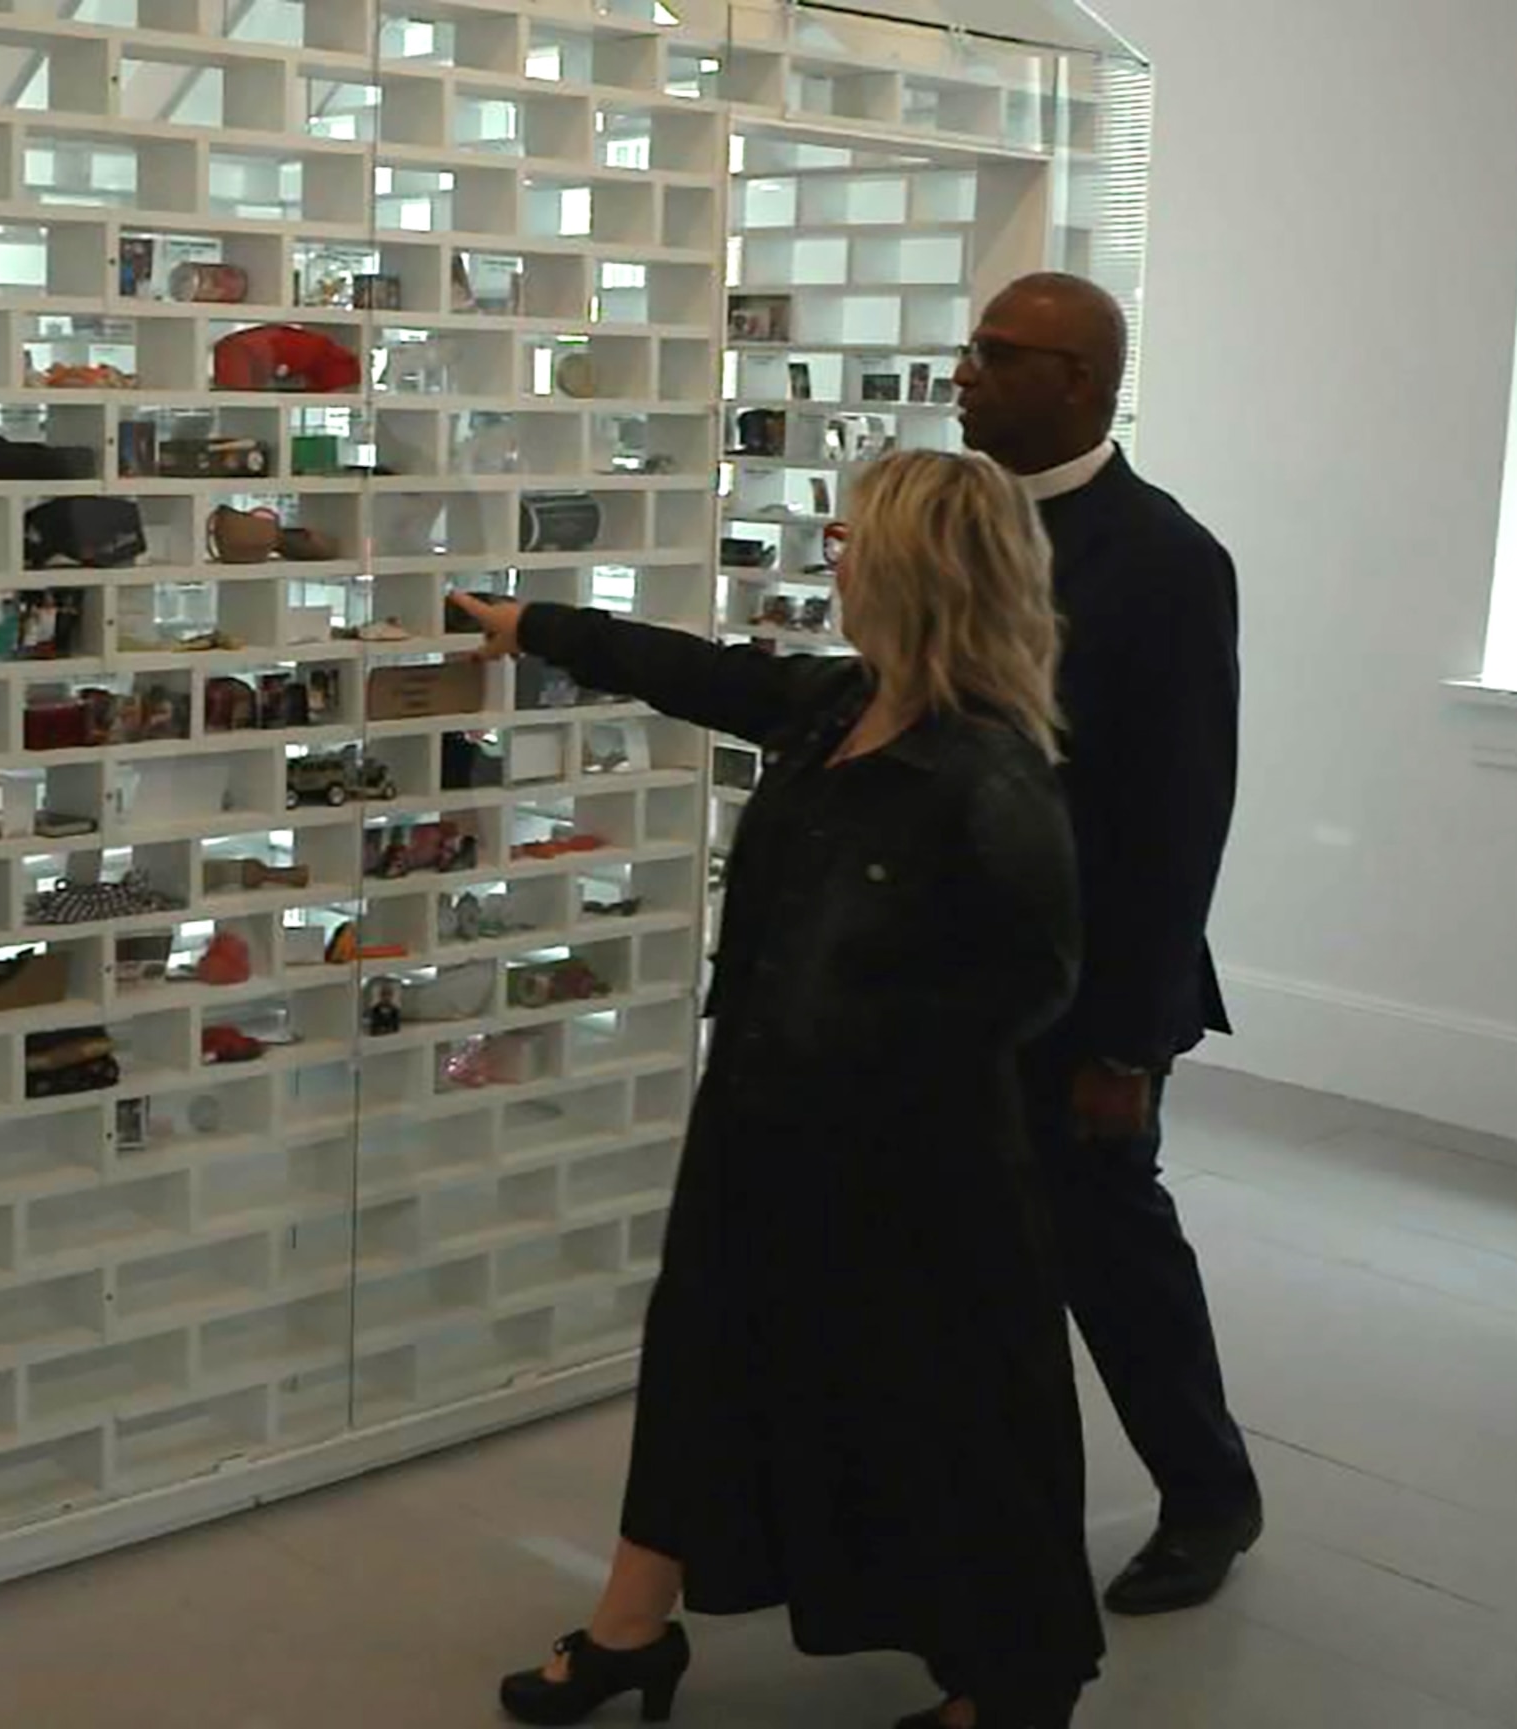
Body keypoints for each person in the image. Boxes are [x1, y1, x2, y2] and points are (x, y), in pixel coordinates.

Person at [459, 450, 1103, 1729]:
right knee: (703, 1363)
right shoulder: (834, 706)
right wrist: (534, 623)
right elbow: (702, 672)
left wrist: (872, 1065)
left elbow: (1033, 982)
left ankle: (1016, 1681)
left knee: (949, 1415)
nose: (834, 552)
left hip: (904, 1164)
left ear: (918, 566)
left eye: (857, 536)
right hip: (763, 1119)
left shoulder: (986, 773)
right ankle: (630, 1630)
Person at [951, 272, 1263, 1613]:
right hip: (956, 977)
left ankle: (1209, 1496)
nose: (962, 372)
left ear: (1079, 381)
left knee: (1112, 1253)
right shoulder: (961, 525)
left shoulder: (1168, 559)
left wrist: (1128, 1043)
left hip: (1086, 994)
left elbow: (1180, 819)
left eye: (995, 353)